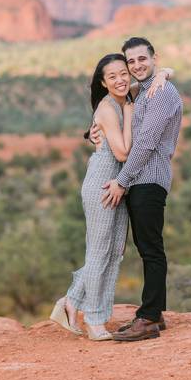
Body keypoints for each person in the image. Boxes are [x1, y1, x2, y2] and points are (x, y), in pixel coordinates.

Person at [50, 53, 170, 340]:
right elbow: (122, 152)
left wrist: (164, 74)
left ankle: (69, 303)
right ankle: (94, 320)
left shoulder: (127, 98)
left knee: (114, 252)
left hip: (118, 186)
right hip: (103, 186)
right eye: (112, 76)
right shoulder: (109, 108)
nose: (120, 80)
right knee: (99, 251)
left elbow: (159, 72)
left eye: (123, 73)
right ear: (103, 83)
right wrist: (128, 114)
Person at [100, 37, 183, 342]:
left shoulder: (161, 94)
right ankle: (153, 314)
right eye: (131, 61)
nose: (136, 65)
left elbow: (147, 144)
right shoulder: (145, 90)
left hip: (148, 179)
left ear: (153, 57)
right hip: (140, 179)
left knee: (151, 249)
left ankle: (148, 318)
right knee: (148, 247)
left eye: (141, 59)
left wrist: (122, 181)